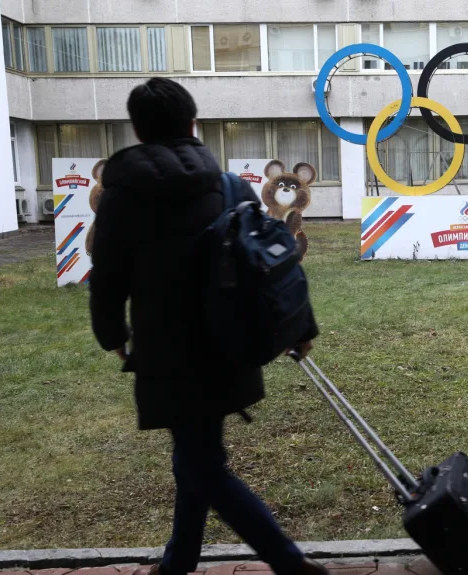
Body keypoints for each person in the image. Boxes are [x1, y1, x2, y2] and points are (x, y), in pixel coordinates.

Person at [89, 78, 325, 575]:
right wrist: (299, 326)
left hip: (168, 355)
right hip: (230, 344)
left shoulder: (123, 195)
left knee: (204, 466)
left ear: (138, 130)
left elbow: (107, 279)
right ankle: (178, 562)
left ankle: (293, 566)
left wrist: (114, 337)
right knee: (195, 455)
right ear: (192, 123)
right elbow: (275, 263)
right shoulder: (229, 187)